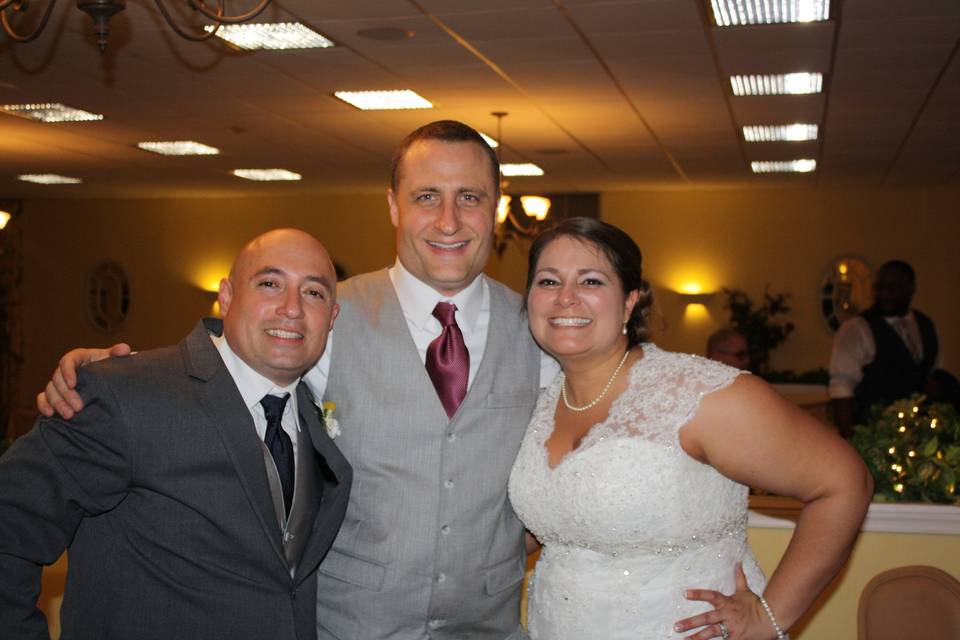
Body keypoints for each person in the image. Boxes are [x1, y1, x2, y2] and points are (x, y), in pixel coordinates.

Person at [36, 121, 555, 639]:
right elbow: (216, 373)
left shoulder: (541, 333)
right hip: (343, 628)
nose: (449, 221)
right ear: (394, 206)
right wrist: (108, 373)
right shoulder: (323, 315)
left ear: (496, 205)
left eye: (469, 196)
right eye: (426, 196)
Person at [508, 218, 872, 640]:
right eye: (548, 282)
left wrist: (768, 619)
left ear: (629, 302)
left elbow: (845, 482)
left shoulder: (698, 394)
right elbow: (557, 523)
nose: (566, 298)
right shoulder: (538, 403)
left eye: (590, 281)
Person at [3, 229, 352, 639]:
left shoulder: (316, 419)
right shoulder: (128, 394)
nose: (291, 308)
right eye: (270, 284)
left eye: (313, 293)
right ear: (226, 296)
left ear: (331, 317)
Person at [829, 260, 940, 437]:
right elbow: (841, 387)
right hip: (876, 433)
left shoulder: (925, 324)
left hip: (918, 432)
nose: (884, 294)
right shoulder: (856, 329)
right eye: (879, 287)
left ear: (910, 288)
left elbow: (929, 369)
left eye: (892, 287)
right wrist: (848, 440)